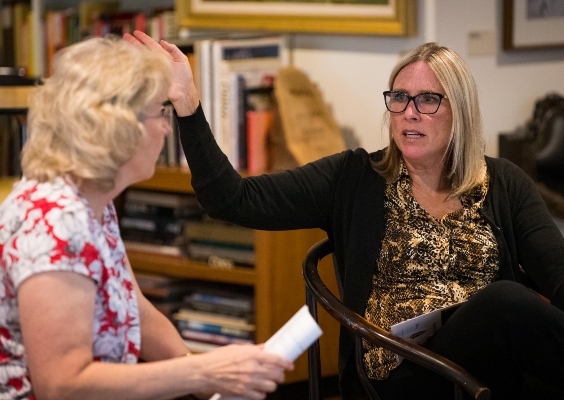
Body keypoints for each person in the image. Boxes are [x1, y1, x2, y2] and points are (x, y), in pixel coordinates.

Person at [125, 31, 564, 400]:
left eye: (428, 100)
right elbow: (232, 199)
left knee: (514, 319)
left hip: (491, 369)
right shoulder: (355, 176)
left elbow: (557, 274)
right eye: (399, 98)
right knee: (505, 302)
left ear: (460, 111)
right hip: (398, 372)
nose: (409, 112)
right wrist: (187, 105)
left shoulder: (503, 182)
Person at [0, 35, 294, 400]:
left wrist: (213, 381)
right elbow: (61, 385)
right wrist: (201, 372)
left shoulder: (93, 200)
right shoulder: (54, 221)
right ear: (119, 126)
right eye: (161, 112)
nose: (167, 129)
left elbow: (137, 309)